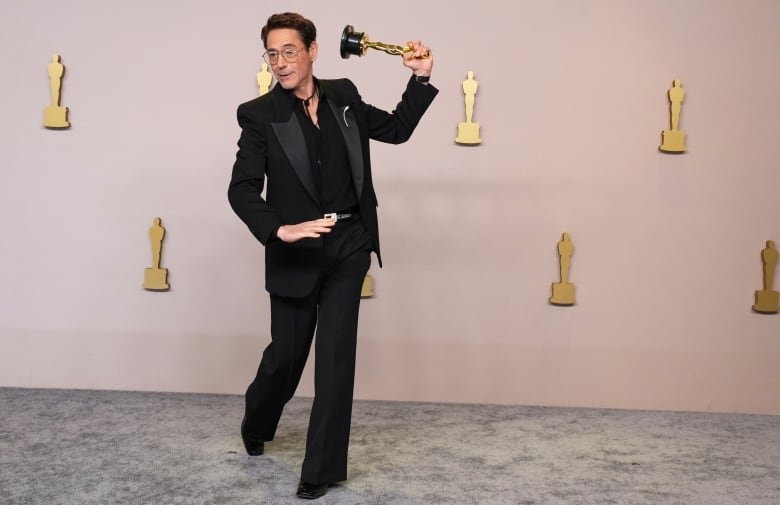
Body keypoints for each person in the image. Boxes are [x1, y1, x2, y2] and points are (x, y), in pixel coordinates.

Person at [227, 12, 437, 500]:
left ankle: (318, 470)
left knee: (337, 359)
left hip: (348, 245)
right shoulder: (259, 115)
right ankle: (257, 419)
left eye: (290, 51)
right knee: (286, 358)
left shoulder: (343, 94)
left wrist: (420, 76)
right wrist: (280, 228)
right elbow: (241, 190)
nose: (281, 62)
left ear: (313, 51)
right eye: (272, 53)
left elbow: (398, 129)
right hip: (295, 251)